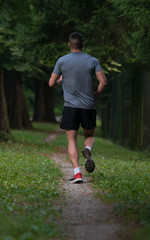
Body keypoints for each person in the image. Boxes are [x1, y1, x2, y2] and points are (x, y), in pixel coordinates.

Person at [48, 32, 107, 183]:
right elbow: (103, 81)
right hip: (88, 107)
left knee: (71, 141)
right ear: (83, 45)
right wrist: (96, 94)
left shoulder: (62, 61)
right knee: (89, 136)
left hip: (70, 107)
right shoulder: (92, 60)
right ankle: (87, 150)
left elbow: (51, 83)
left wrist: (60, 82)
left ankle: (77, 173)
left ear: (69, 45)